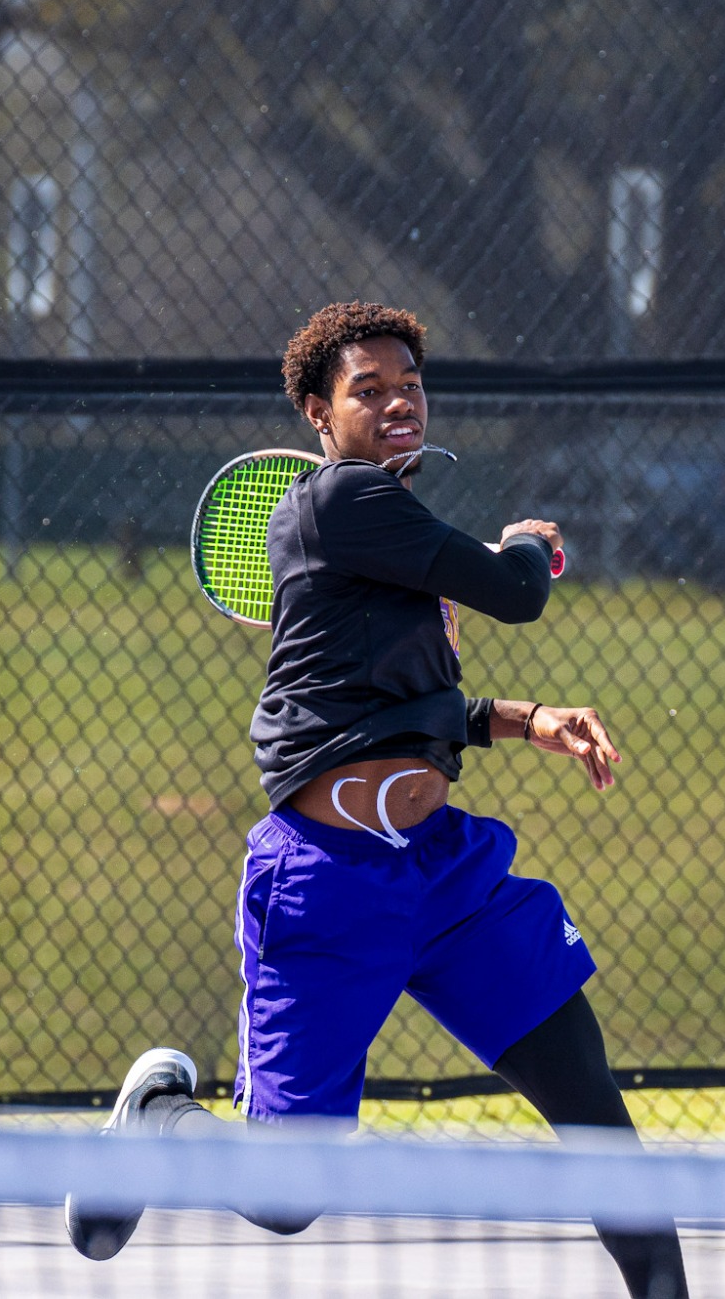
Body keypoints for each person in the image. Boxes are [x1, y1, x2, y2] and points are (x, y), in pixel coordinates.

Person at [68, 301, 689, 1297]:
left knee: (595, 1118)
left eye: (409, 386)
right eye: (370, 389)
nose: (398, 402)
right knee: (283, 1198)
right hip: (324, 886)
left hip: (444, 877)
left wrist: (528, 720)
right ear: (319, 411)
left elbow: (410, 707)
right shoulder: (339, 504)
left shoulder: (389, 547)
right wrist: (526, 541)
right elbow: (517, 590)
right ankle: (159, 1124)